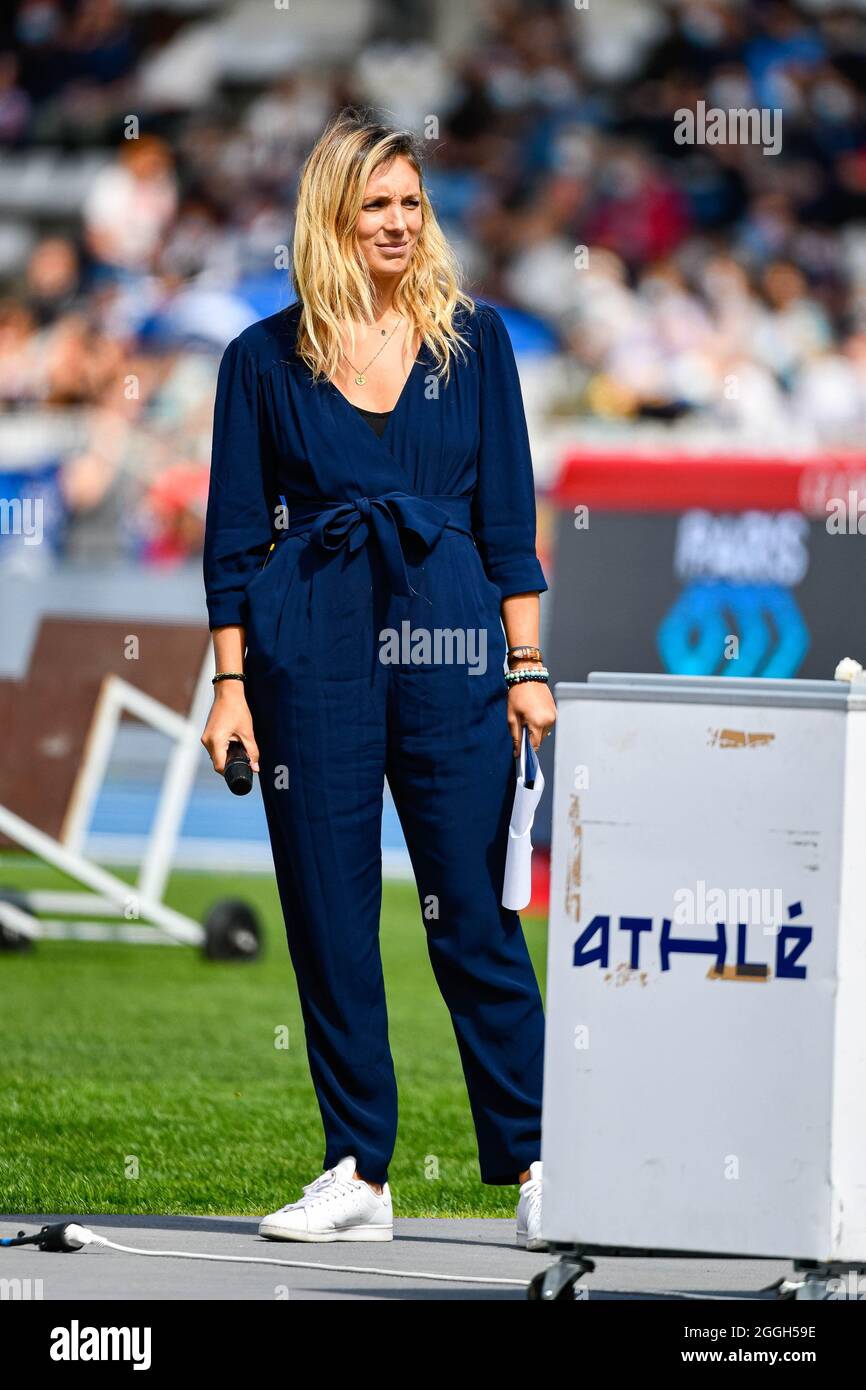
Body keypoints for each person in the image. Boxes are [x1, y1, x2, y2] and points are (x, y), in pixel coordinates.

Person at [201, 110, 556, 1249]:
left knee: (476, 917)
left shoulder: (475, 340)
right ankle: (356, 1169)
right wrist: (231, 684)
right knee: (329, 919)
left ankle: (540, 1157)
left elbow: (507, 519)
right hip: (310, 652)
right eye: (375, 206)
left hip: (452, 647)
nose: (398, 223)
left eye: (411, 203)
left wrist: (526, 664)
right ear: (330, 218)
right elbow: (232, 540)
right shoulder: (260, 359)